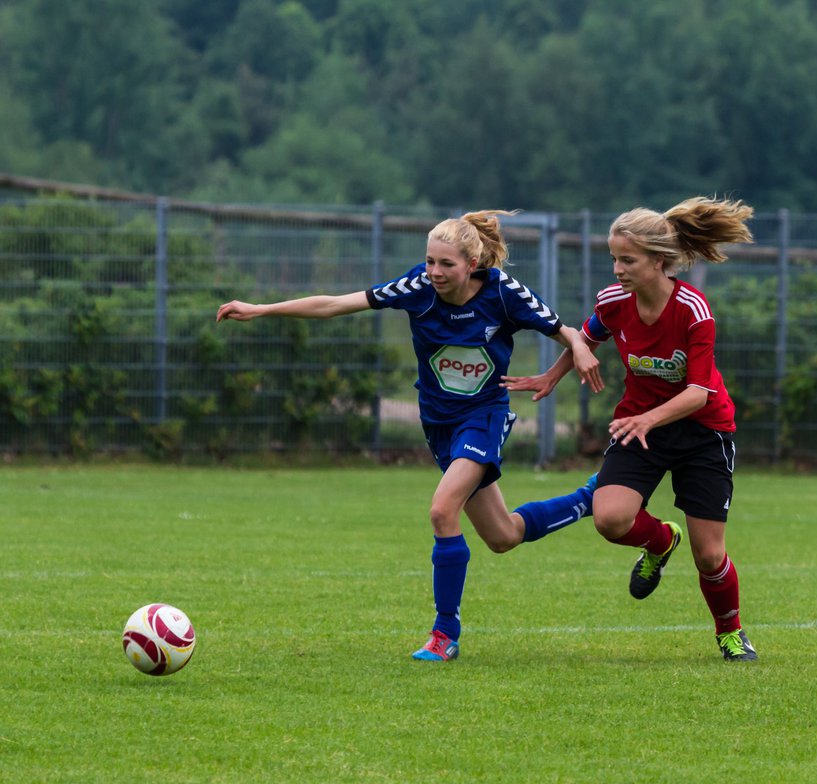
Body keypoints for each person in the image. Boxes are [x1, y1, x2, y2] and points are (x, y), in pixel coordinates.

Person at [216, 210, 603, 662]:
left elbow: (566, 331)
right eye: (429, 262)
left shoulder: (502, 292)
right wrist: (262, 309)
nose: (435, 273)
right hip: (438, 423)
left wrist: (577, 348)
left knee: (442, 511)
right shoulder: (417, 288)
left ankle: (445, 634)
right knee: (502, 536)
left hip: (484, 415)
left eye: (446, 264)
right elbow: (335, 304)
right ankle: (587, 499)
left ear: (473, 263)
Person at [503, 197, 758, 661]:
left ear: (659, 261)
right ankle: (661, 541)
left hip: (703, 432)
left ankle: (730, 631)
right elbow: (584, 338)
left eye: (628, 259)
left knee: (710, 556)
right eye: (614, 258)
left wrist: (648, 417)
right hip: (642, 428)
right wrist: (550, 376)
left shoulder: (693, 310)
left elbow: (699, 392)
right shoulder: (614, 301)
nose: (618, 269)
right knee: (610, 518)